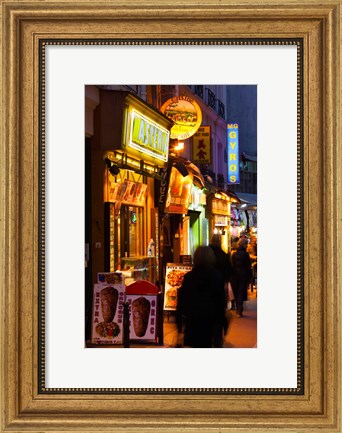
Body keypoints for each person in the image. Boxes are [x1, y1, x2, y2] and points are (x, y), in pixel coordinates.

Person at [177, 246, 226, 348]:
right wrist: (222, 322)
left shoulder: (189, 277)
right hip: (210, 322)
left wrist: (179, 324)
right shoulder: (217, 276)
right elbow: (220, 302)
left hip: (193, 322)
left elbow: (182, 301)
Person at [209, 234, 233, 310]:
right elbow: (229, 270)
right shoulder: (224, 255)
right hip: (220, 283)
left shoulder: (207, 254)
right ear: (220, 242)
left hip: (208, 283)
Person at [230, 237, 252, 317]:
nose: (247, 246)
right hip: (243, 275)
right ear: (244, 245)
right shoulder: (246, 255)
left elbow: (231, 266)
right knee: (241, 292)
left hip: (234, 276)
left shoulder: (233, 254)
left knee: (236, 292)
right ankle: (239, 310)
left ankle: (238, 309)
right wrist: (250, 277)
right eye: (246, 244)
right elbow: (248, 267)